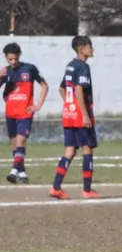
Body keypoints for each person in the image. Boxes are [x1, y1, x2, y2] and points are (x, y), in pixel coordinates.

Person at [50, 36, 99, 200]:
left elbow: (62, 88)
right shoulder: (83, 66)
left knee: (70, 151)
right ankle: (87, 190)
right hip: (79, 116)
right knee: (87, 149)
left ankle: (56, 187)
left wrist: (69, 105)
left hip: (68, 114)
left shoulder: (70, 66)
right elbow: (79, 89)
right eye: (90, 47)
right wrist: (84, 114)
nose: (92, 50)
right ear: (82, 49)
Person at [0, 42, 47, 184]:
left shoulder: (30, 69)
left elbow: (44, 85)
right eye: (10, 59)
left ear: (19, 56)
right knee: (15, 145)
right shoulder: (5, 71)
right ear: (6, 58)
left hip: (25, 113)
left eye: (15, 58)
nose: (13, 62)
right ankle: (22, 173)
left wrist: (38, 105)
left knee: (21, 141)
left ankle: (14, 171)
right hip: (10, 113)